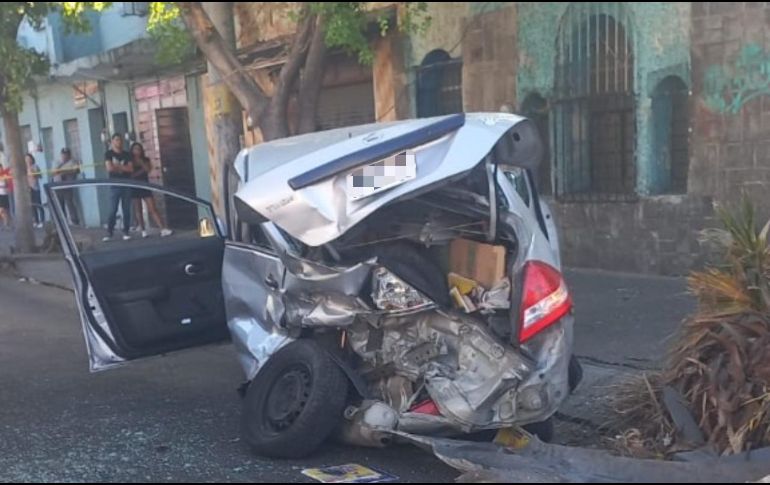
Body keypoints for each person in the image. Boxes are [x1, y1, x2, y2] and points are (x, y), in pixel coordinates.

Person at [129, 142, 173, 238]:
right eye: (135, 149)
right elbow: (131, 175)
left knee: (152, 208)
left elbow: (148, 169)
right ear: (132, 151)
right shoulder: (130, 161)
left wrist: (141, 162)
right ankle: (143, 230)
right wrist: (141, 170)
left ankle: (163, 228)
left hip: (145, 186)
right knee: (138, 209)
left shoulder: (145, 159)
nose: (137, 151)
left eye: (139, 149)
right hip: (134, 186)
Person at [104, 133, 133, 242]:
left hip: (126, 183)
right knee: (113, 209)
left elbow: (130, 169)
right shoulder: (109, 154)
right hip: (114, 184)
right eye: (116, 140)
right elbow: (109, 168)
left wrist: (118, 166)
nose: (118, 142)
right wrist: (123, 167)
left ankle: (126, 231)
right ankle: (109, 231)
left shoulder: (127, 154)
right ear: (112, 141)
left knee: (126, 209)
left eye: (120, 140)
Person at [53, 147, 81, 226]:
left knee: (69, 203)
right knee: (60, 204)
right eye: (63, 154)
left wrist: (63, 172)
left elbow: (76, 170)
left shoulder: (73, 162)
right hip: (58, 185)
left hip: (67, 185)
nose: (65, 156)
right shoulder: (58, 162)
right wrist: (60, 169)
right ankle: (62, 222)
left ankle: (75, 221)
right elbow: (53, 172)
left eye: (66, 154)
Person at [26, 153, 44, 228]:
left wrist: (33, 172)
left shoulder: (35, 166)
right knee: (32, 206)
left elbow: (40, 176)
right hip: (29, 188)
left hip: (36, 187)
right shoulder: (25, 168)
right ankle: (36, 221)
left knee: (39, 204)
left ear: (32, 159)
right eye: (26, 159)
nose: (28, 160)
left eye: (29, 159)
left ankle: (42, 221)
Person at [0, 159, 10, 229]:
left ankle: (7, 223)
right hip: (0, 194)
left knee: (5, 210)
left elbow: (7, 184)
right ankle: (5, 223)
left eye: (1, 168)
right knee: (2, 210)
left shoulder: (5, 175)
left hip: (4, 194)